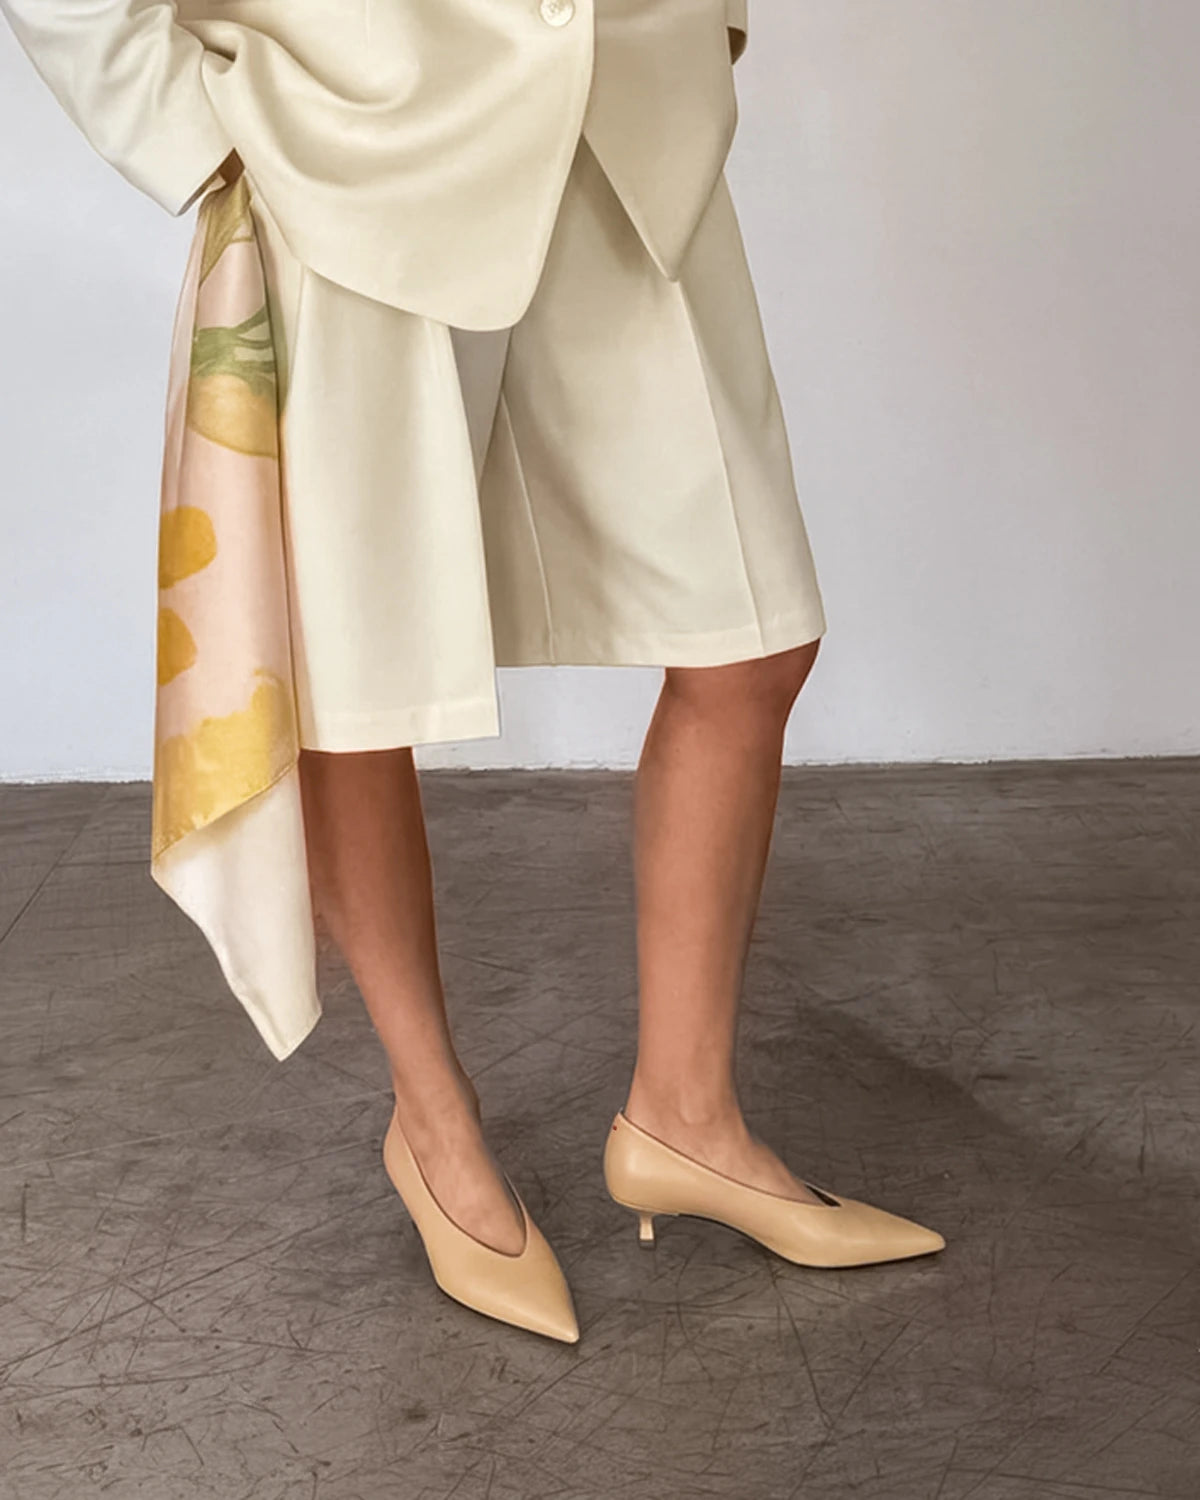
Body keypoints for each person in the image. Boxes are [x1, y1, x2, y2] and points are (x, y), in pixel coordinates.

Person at [2, 0, 944, 1346]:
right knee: (346, 676)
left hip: (624, 112)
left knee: (753, 637)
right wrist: (192, 137)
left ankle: (687, 1117)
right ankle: (433, 1125)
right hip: (354, 141)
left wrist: (706, 26)